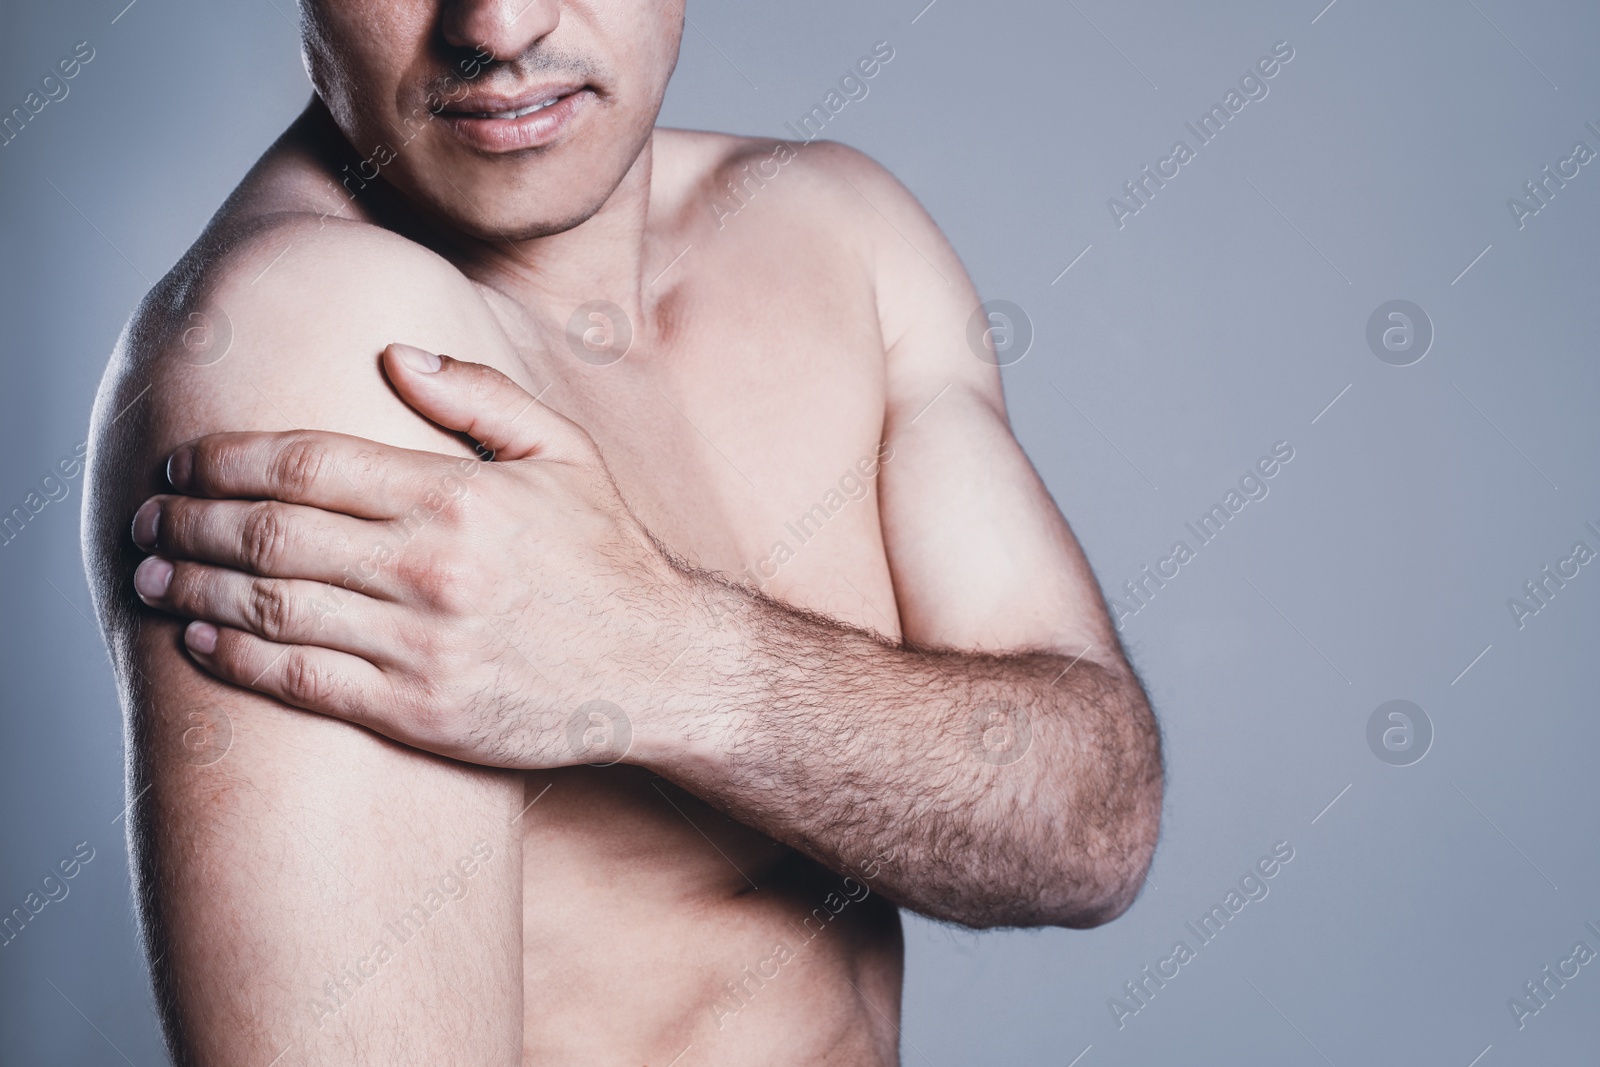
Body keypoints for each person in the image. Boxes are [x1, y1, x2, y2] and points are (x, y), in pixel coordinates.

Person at [83, 2, 1163, 1063]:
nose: (499, 30)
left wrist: (663, 654)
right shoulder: (309, 338)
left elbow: (1090, 824)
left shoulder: (839, 230)